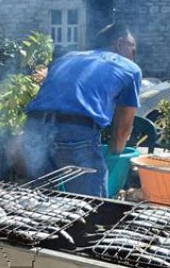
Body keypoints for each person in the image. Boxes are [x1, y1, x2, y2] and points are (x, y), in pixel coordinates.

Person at [23, 23, 142, 197]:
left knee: (43, 203)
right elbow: (122, 129)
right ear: (120, 43)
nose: (134, 57)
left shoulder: (67, 58)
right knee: (92, 207)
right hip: (75, 132)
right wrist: (112, 159)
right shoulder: (131, 69)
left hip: (33, 129)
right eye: (133, 50)